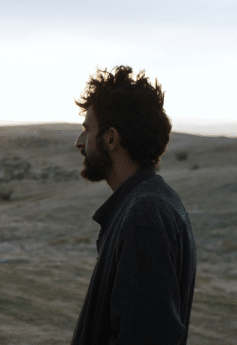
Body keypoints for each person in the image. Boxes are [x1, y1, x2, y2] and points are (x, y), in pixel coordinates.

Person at [70, 66, 197, 345]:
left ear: (111, 139)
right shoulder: (149, 203)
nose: (79, 142)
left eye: (87, 130)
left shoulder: (145, 215)